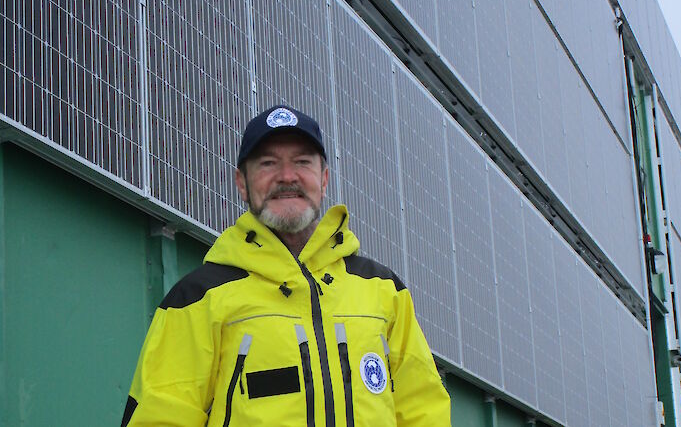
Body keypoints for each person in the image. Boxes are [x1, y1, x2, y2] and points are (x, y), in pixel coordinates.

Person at [121, 105, 451, 426]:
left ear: (323, 180)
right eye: (268, 163)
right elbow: (159, 417)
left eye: (302, 162)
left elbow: (424, 408)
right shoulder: (198, 297)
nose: (287, 176)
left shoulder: (383, 289)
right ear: (242, 183)